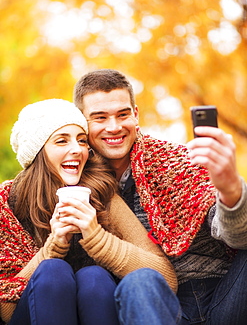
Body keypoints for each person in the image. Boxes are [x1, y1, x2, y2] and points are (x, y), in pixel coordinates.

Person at [74, 68, 247, 325]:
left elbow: (237, 236)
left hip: (224, 297)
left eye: (123, 114)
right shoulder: (75, 182)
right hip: (149, 304)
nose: (114, 127)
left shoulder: (179, 162)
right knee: (141, 280)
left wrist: (231, 190)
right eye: (100, 117)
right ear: (81, 121)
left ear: (136, 114)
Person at [0, 99, 177, 325]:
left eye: (82, 140)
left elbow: (166, 279)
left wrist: (97, 237)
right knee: (53, 271)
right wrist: (52, 249)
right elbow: (5, 310)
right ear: (37, 153)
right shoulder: (8, 204)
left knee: (93, 277)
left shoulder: (101, 193)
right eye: (62, 141)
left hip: (97, 306)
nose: (77, 149)